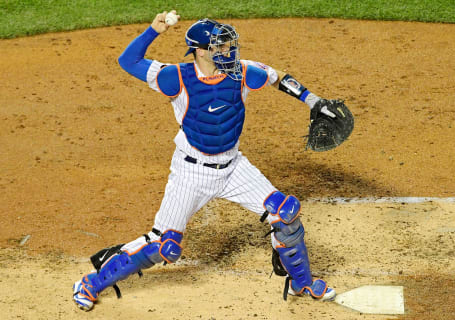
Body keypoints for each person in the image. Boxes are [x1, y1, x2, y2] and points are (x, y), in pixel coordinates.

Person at [73, 11, 339, 311]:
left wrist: (314, 101)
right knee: (164, 246)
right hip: (191, 172)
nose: (228, 51)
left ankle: (300, 282)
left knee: (286, 214)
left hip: (233, 167)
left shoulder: (242, 72)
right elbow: (128, 61)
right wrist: (153, 30)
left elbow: (277, 77)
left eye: (228, 45)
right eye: (221, 47)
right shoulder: (175, 77)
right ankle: (91, 283)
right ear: (200, 51)